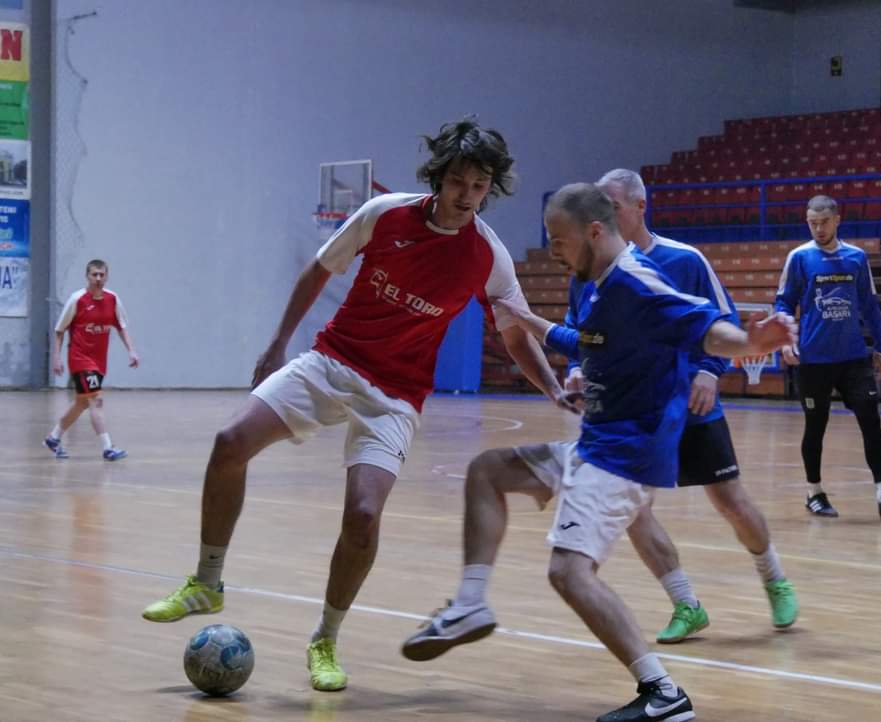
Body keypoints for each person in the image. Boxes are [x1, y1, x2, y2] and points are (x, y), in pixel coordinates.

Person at [142, 119, 572, 692]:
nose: (467, 195)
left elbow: (514, 331)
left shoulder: (487, 256)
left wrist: (552, 389)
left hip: (395, 395)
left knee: (364, 516)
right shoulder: (384, 214)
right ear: (439, 178)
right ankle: (206, 581)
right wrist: (278, 343)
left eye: (479, 185)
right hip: (333, 362)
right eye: (458, 181)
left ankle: (325, 638)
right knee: (229, 443)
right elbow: (319, 270)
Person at [401, 183, 796, 722]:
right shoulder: (593, 283)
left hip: (625, 458)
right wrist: (528, 319)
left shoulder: (637, 282)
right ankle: (470, 604)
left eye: (558, 240)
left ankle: (662, 693)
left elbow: (705, 329)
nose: (553, 251)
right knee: (488, 470)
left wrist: (752, 343)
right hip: (596, 446)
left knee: (569, 573)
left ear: (593, 232)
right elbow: (586, 341)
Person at [593, 169, 797, 641]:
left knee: (731, 502)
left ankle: (775, 580)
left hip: (692, 406)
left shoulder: (684, 260)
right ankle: (686, 603)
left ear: (640, 206)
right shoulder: (596, 269)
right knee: (634, 510)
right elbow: (586, 332)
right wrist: (580, 369)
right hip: (634, 414)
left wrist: (709, 371)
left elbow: (724, 321)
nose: (604, 216)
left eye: (613, 206)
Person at [775, 195, 881, 519]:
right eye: (813, 223)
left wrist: (880, 347)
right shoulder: (799, 257)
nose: (819, 229)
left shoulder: (856, 257)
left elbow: (870, 305)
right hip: (813, 361)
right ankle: (814, 493)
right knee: (815, 425)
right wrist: (786, 340)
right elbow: (783, 303)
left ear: (837, 220)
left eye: (824, 222)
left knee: (871, 419)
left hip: (853, 359)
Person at [44, 259, 139, 461]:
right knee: (96, 400)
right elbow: (59, 330)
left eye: (101, 274)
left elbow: (121, 326)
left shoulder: (113, 299)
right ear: (87, 276)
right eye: (94, 274)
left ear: (107, 276)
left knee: (81, 403)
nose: (98, 278)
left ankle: (53, 438)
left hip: (99, 361)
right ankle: (108, 448)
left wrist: (131, 351)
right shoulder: (77, 299)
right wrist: (56, 357)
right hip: (80, 359)